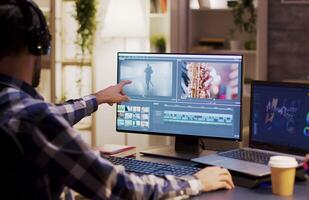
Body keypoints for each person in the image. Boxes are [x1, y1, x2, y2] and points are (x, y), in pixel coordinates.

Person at [0, 0, 234, 199]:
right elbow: (118, 187)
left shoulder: (15, 109)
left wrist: (98, 98)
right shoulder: (34, 119)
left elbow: (48, 115)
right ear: (38, 45)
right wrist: (195, 182)